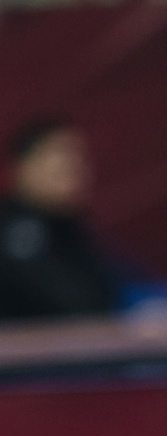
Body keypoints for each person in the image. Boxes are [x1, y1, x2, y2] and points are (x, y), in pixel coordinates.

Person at [0, 118, 123, 322]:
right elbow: (79, 306)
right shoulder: (15, 230)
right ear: (23, 166)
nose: (73, 165)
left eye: (79, 157)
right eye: (59, 154)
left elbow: (117, 282)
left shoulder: (69, 226)